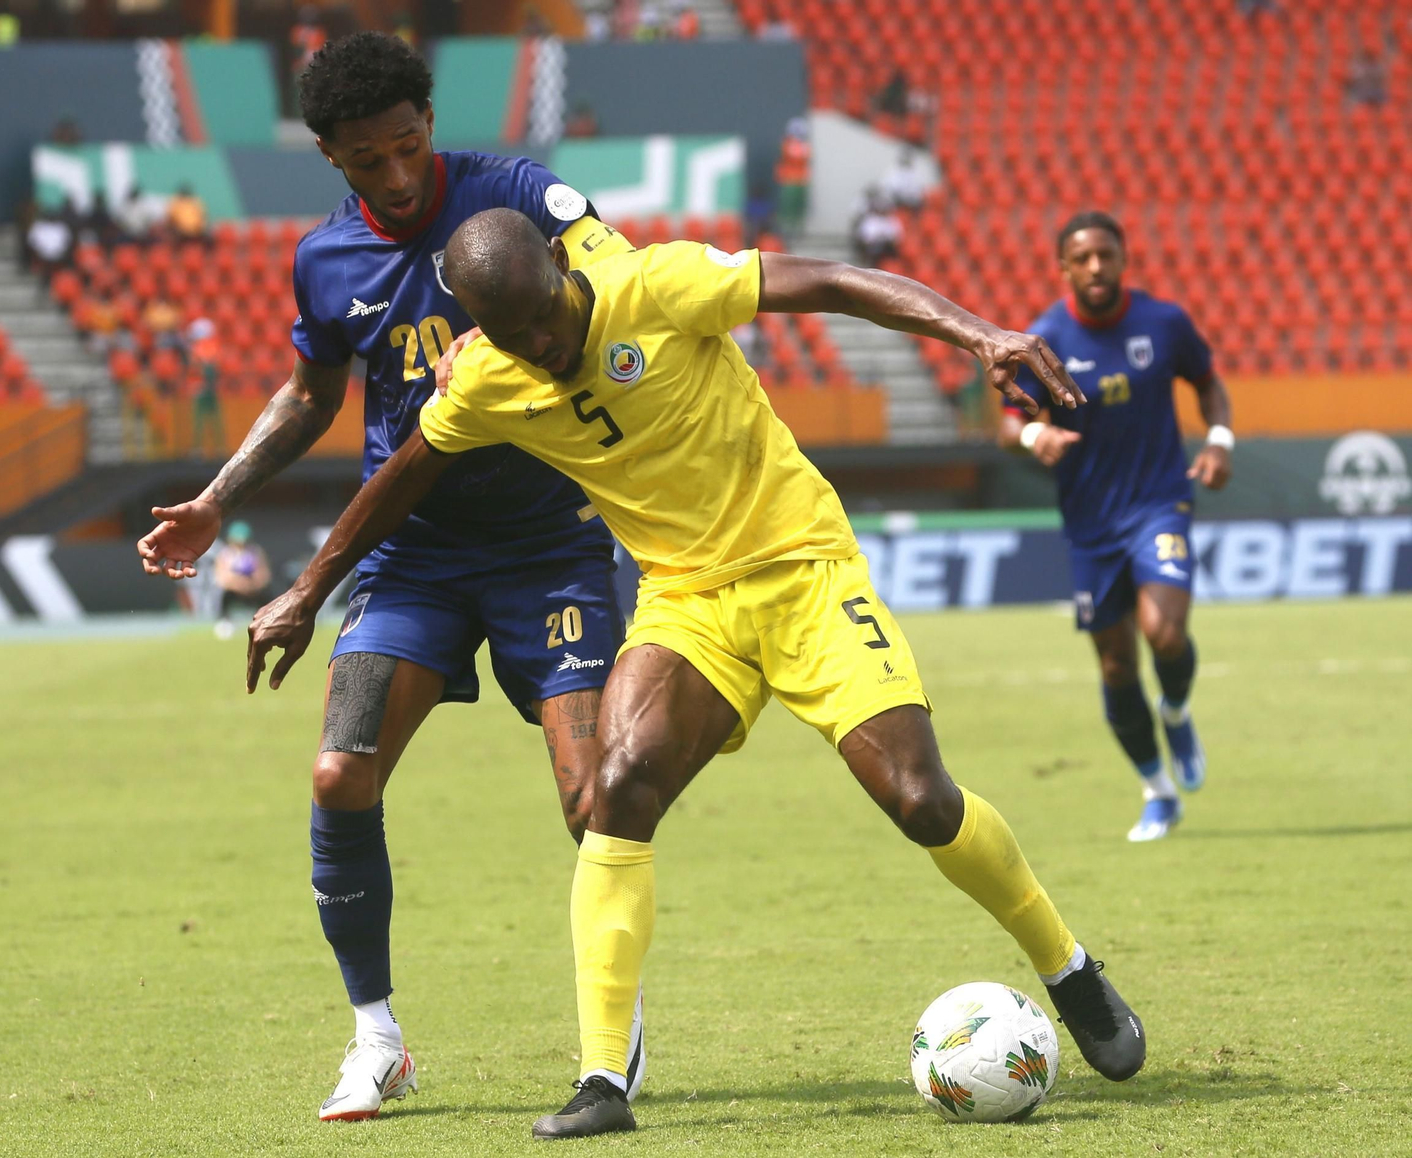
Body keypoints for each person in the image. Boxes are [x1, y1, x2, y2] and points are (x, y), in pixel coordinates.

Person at [242, 208, 1149, 1139]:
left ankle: (1067, 968)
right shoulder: (483, 376)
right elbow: (405, 471)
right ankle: (602, 1079)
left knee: (919, 798)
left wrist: (979, 333)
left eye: (545, 320)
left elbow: (829, 282)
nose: (543, 347)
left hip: (804, 570)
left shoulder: (661, 286)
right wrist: (307, 591)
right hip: (686, 602)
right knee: (615, 789)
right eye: (514, 335)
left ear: (560, 264)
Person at [134, 32, 647, 1123]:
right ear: (331, 156)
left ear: (430, 122)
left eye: (410, 146)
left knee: (592, 799)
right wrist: (219, 497)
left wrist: (523, 332)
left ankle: (612, 1031)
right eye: (369, 161)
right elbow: (312, 395)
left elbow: (620, 285)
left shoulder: (520, 196)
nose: (398, 176)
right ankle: (376, 1038)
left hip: (548, 540)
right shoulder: (325, 260)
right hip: (408, 553)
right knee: (336, 776)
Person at [998, 211, 1232, 843]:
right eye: (1083, 257)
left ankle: (1177, 710)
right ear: (1065, 267)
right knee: (1115, 667)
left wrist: (1219, 439)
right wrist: (1034, 431)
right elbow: (1008, 422)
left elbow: (1210, 386)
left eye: (1106, 254)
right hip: (1090, 522)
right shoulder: (1044, 341)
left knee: (1164, 631)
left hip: (1160, 501)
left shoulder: (1165, 323)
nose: (1096, 266)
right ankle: (1158, 792)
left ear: (1124, 257)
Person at [212, 521, 272, 639]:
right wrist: (239, 584)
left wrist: (252, 585)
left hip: (253, 590)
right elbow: (221, 577)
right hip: (233, 590)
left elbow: (264, 575)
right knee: (223, 595)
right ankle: (225, 623)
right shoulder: (225, 554)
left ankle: (266, 623)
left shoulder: (256, 552)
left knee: (267, 596)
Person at [187, 318, 225, 458]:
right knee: (204, 420)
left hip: (206, 389)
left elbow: (205, 367)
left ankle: (214, 447)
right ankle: (203, 448)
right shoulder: (206, 348)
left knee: (210, 420)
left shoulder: (204, 348)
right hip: (203, 389)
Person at [774, 118, 810, 237]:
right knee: (787, 206)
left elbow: (804, 158)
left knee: (799, 207)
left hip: (801, 181)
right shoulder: (787, 144)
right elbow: (789, 156)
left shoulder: (805, 146)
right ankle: (786, 228)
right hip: (789, 180)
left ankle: (798, 229)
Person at [851, 187, 902, 267]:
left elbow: (897, 237)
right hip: (873, 247)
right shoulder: (870, 220)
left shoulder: (892, 220)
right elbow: (866, 238)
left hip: (887, 248)